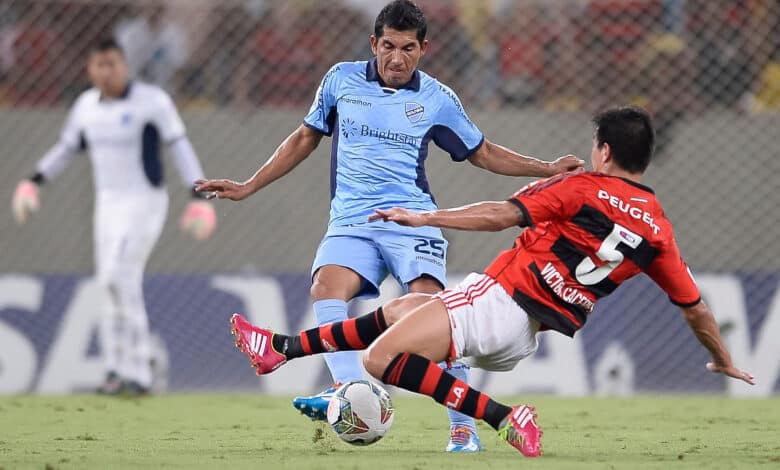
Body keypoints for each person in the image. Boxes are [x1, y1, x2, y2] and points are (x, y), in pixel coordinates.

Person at [226, 105, 754, 457]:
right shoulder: (657, 225)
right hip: (526, 334)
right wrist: (724, 359)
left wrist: (428, 217)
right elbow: (694, 308)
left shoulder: (583, 188)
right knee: (398, 314)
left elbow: (501, 214)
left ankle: (502, 417)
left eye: (596, 146)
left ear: (605, 152)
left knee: (378, 361)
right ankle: (281, 349)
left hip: (498, 299)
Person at [195, 0, 582, 453]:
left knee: (437, 312)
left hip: (410, 220)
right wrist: (249, 185)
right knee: (326, 288)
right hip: (352, 220)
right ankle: (351, 395)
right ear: (373, 44)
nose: (397, 58)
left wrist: (546, 167)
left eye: (408, 49)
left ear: (424, 49)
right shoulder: (340, 80)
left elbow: (483, 151)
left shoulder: (437, 98)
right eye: (388, 46)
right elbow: (305, 136)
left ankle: (463, 427)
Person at [11, 38, 216, 395]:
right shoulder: (86, 107)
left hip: (145, 201)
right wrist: (34, 181)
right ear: (90, 69)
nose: (108, 71)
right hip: (107, 205)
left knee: (122, 274)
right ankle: (116, 368)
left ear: (125, 66)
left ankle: (139, 369)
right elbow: (66, 148)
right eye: (100, 64)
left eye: (114, 63)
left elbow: (180, 145)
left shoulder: (152, 102)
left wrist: (198, 195)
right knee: (107, 281)